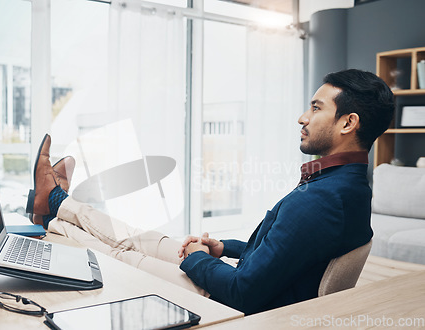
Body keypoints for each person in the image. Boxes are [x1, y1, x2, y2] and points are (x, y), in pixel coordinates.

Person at [25, 69, 395, 315]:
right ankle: (53, 204)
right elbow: (287, 254)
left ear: (348, 122)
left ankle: (50, 209)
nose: (302, 117)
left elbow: (243, 293)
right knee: (135, 237)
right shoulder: (345, 184)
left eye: (315, 108)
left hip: (225, 302)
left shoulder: (324, 200)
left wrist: (198, 259)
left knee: (118, 251)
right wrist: (223, 248)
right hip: (235, 276)